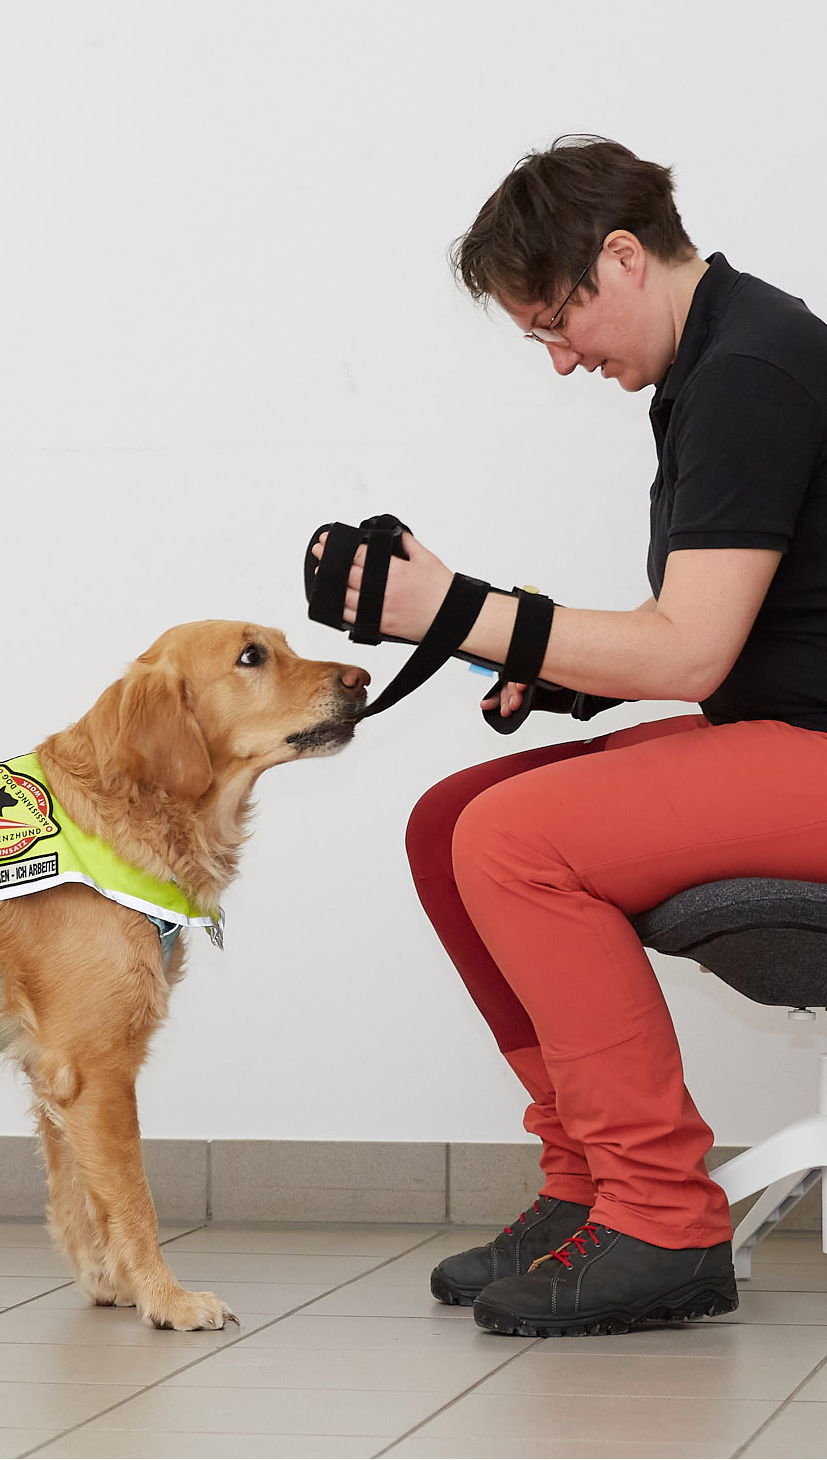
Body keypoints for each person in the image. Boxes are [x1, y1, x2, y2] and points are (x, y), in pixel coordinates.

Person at [313, 135, 827, 1337]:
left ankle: (661, 1217)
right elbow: (746, 625)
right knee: (448, 825)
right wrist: (554, 679)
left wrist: (453, 610)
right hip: (787, 730)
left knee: (510, 841)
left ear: (621, 257)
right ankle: (587, 1179)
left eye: (556, 322)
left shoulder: (755, 364)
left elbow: (691, 651)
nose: (557, 361)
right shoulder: (717, 360)